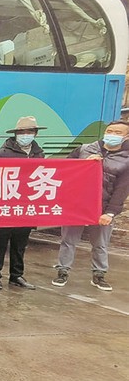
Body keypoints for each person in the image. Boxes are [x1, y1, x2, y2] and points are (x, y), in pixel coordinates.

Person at [53, 120, 129, 291]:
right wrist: (84, 164)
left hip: (102, 208)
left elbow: (122, 189)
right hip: (76, 205)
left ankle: (99, 275)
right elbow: (63, 171)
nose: (112, 135)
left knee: (100, 243)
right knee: (68, 240)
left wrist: (110, 212)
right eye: (110, 131)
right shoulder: (85, 149)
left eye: (118, 133)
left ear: (126, 137)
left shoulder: (126, 159)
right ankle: (62, 271)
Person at [0, 116, 46, 290]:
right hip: (6, 204)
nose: (25, 135)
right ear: (16, 134)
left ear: (35, 133)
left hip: (26, 205)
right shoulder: (1, 153)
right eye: (22, 132)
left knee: (20, 244)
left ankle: (16, 275)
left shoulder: (38, 153)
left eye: (29, 132)